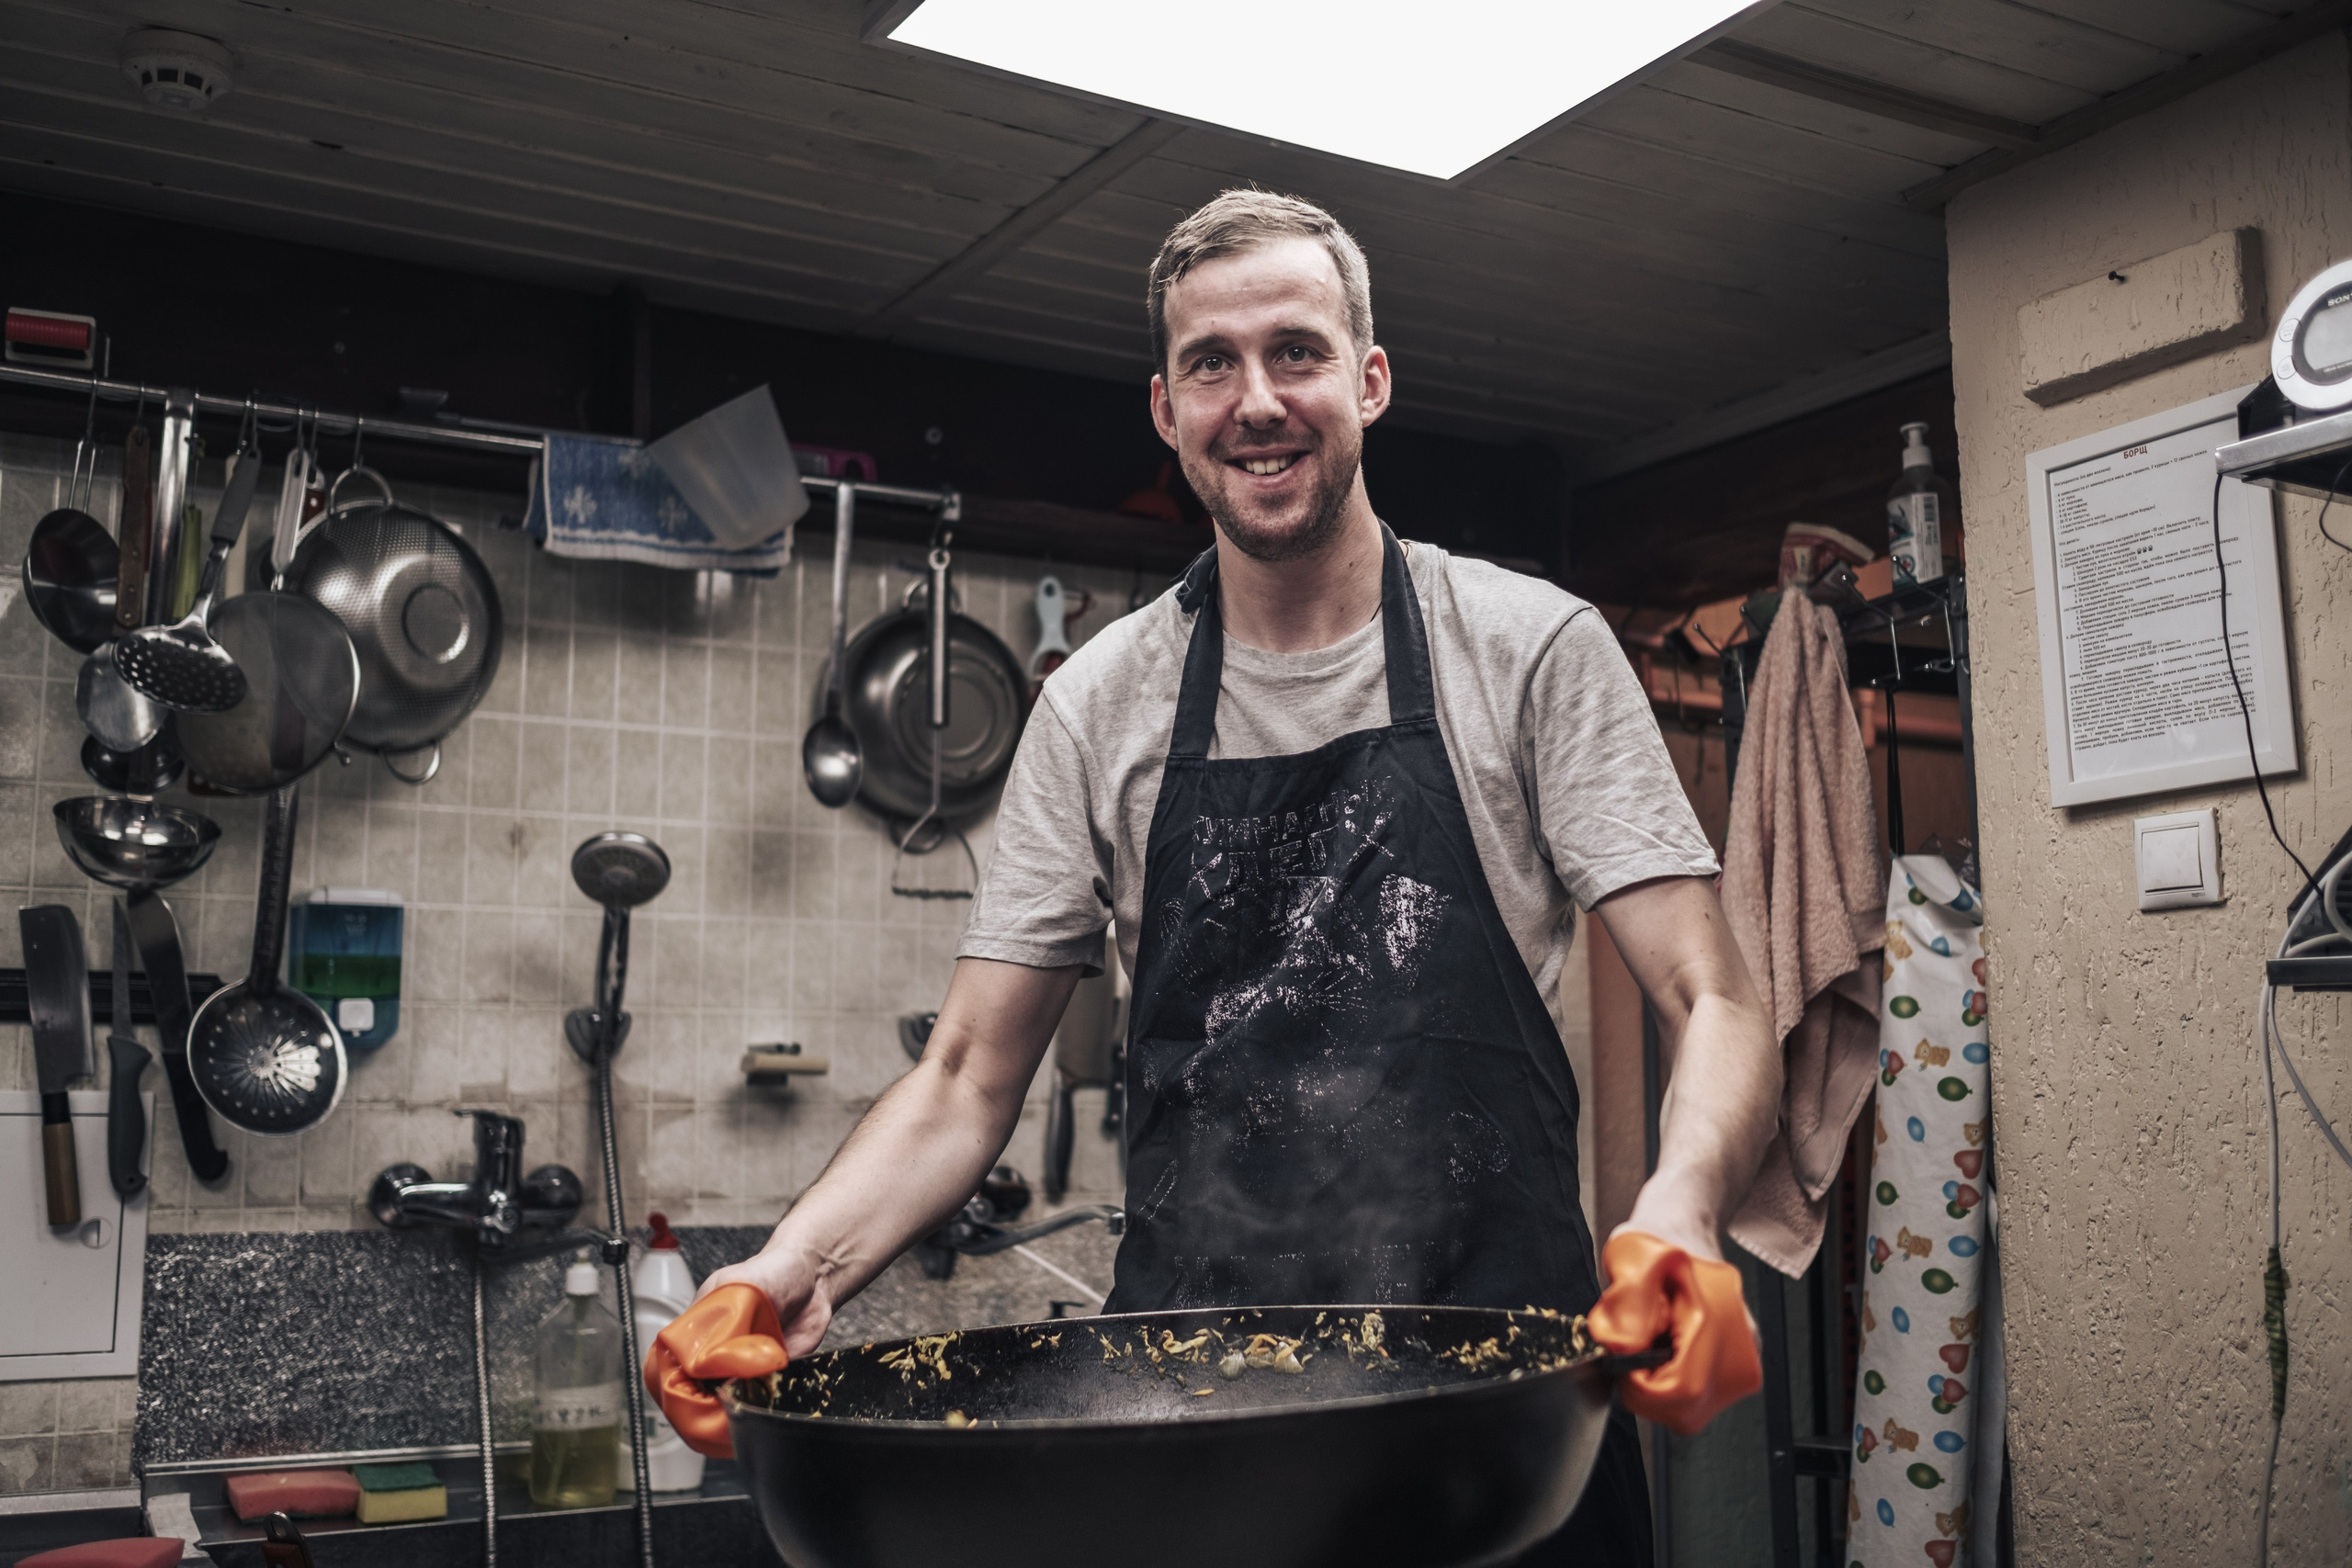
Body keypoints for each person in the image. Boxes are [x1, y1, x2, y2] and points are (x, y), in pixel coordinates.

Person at [703, 189, 1780, 1562]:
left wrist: (1681, 1210)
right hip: (1188, 1434)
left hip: (1500, 1426)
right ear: (1166, 409)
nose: (1255, 399)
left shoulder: (1526, 649)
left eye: (1298, 352)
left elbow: (1713, 995)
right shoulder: (1098, 703)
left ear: (1370, 380)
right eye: (1212, 363)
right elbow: (972, 1072)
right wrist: (790, 1272)